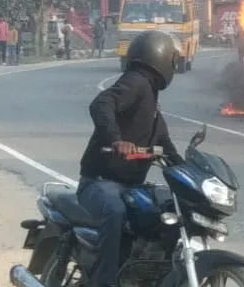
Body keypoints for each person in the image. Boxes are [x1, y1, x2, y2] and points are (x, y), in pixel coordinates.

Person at [78, 30, 184, 287]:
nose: (173, 66)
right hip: (98, 183)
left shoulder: (152, 102)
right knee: (115, 211)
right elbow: (102, 104)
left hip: (130, 186)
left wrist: (190, 172)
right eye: (172, 60)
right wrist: (116, 141)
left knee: (166, 211)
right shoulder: (136, 81)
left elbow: (165, 146)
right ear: (160, 57)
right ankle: (105, 282)